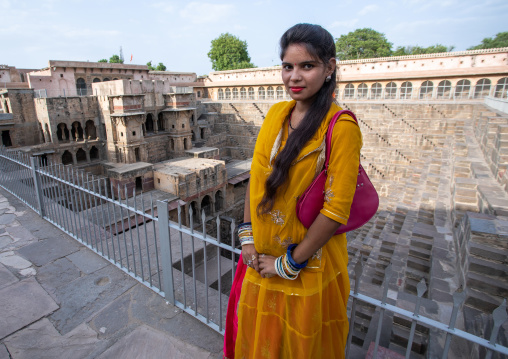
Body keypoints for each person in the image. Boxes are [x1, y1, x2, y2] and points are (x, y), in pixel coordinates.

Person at [223, 23, 362, 359]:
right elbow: (256, 182)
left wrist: (287, 264)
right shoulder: (276, 114)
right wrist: (247, 239)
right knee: (261, 342)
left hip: (305, 266)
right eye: (288, 66)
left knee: (300, 346)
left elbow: (335, 211)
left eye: (307, 66)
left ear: (329, 68)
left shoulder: (341, 126)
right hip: (259, 260)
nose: (294, 77)